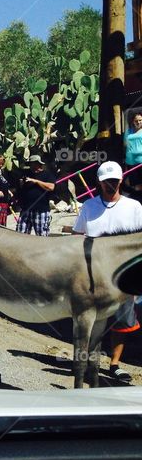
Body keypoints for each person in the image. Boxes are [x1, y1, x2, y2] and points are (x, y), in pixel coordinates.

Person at [73, 161, 142, 383]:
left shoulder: (134, 208)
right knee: (90, 321)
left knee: (121, 321)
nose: (110, 185)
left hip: (122, 276)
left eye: (114, 181)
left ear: (121, 181)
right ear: (99, 183)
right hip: (91, 276)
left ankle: (114, 364)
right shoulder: (89, 207)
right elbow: (78, 238)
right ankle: (90, 363)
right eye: (106, 182)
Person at [15, 155, 56, 236]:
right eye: (30, 164)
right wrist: (21, 183)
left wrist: (36, 181)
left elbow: (51, 187)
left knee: (41, 235)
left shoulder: (47, 174)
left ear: (38, 164)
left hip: (41, 210)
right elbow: (19, 189)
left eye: (33, 163)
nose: (31, 165)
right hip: (26, 209)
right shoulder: (25, 174)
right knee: (20, 234)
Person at [124, 111, 142, 197]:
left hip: (141, 161)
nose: (138, 122)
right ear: (132, 121)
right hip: (131, 162)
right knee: (136, 185)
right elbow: (125, 144)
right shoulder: (128, 132)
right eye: (136, 121)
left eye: (140, 120)